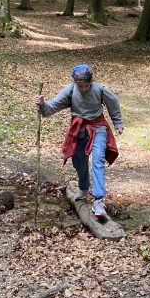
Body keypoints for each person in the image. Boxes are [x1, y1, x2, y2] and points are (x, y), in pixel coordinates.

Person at [34, 64, 124, 218]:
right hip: (79, 130)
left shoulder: (99, 90)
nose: (83, 88)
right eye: (80, 85)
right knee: (78, 161)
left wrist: (118, 122)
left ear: (91, 82)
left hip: (98, 128)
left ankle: (98, 200)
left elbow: (113, 102)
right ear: (75, 82)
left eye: (86, 85)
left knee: (98, 160)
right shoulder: (70, 90)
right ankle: (83, 187)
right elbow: (51, 108)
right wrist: (42, 104)